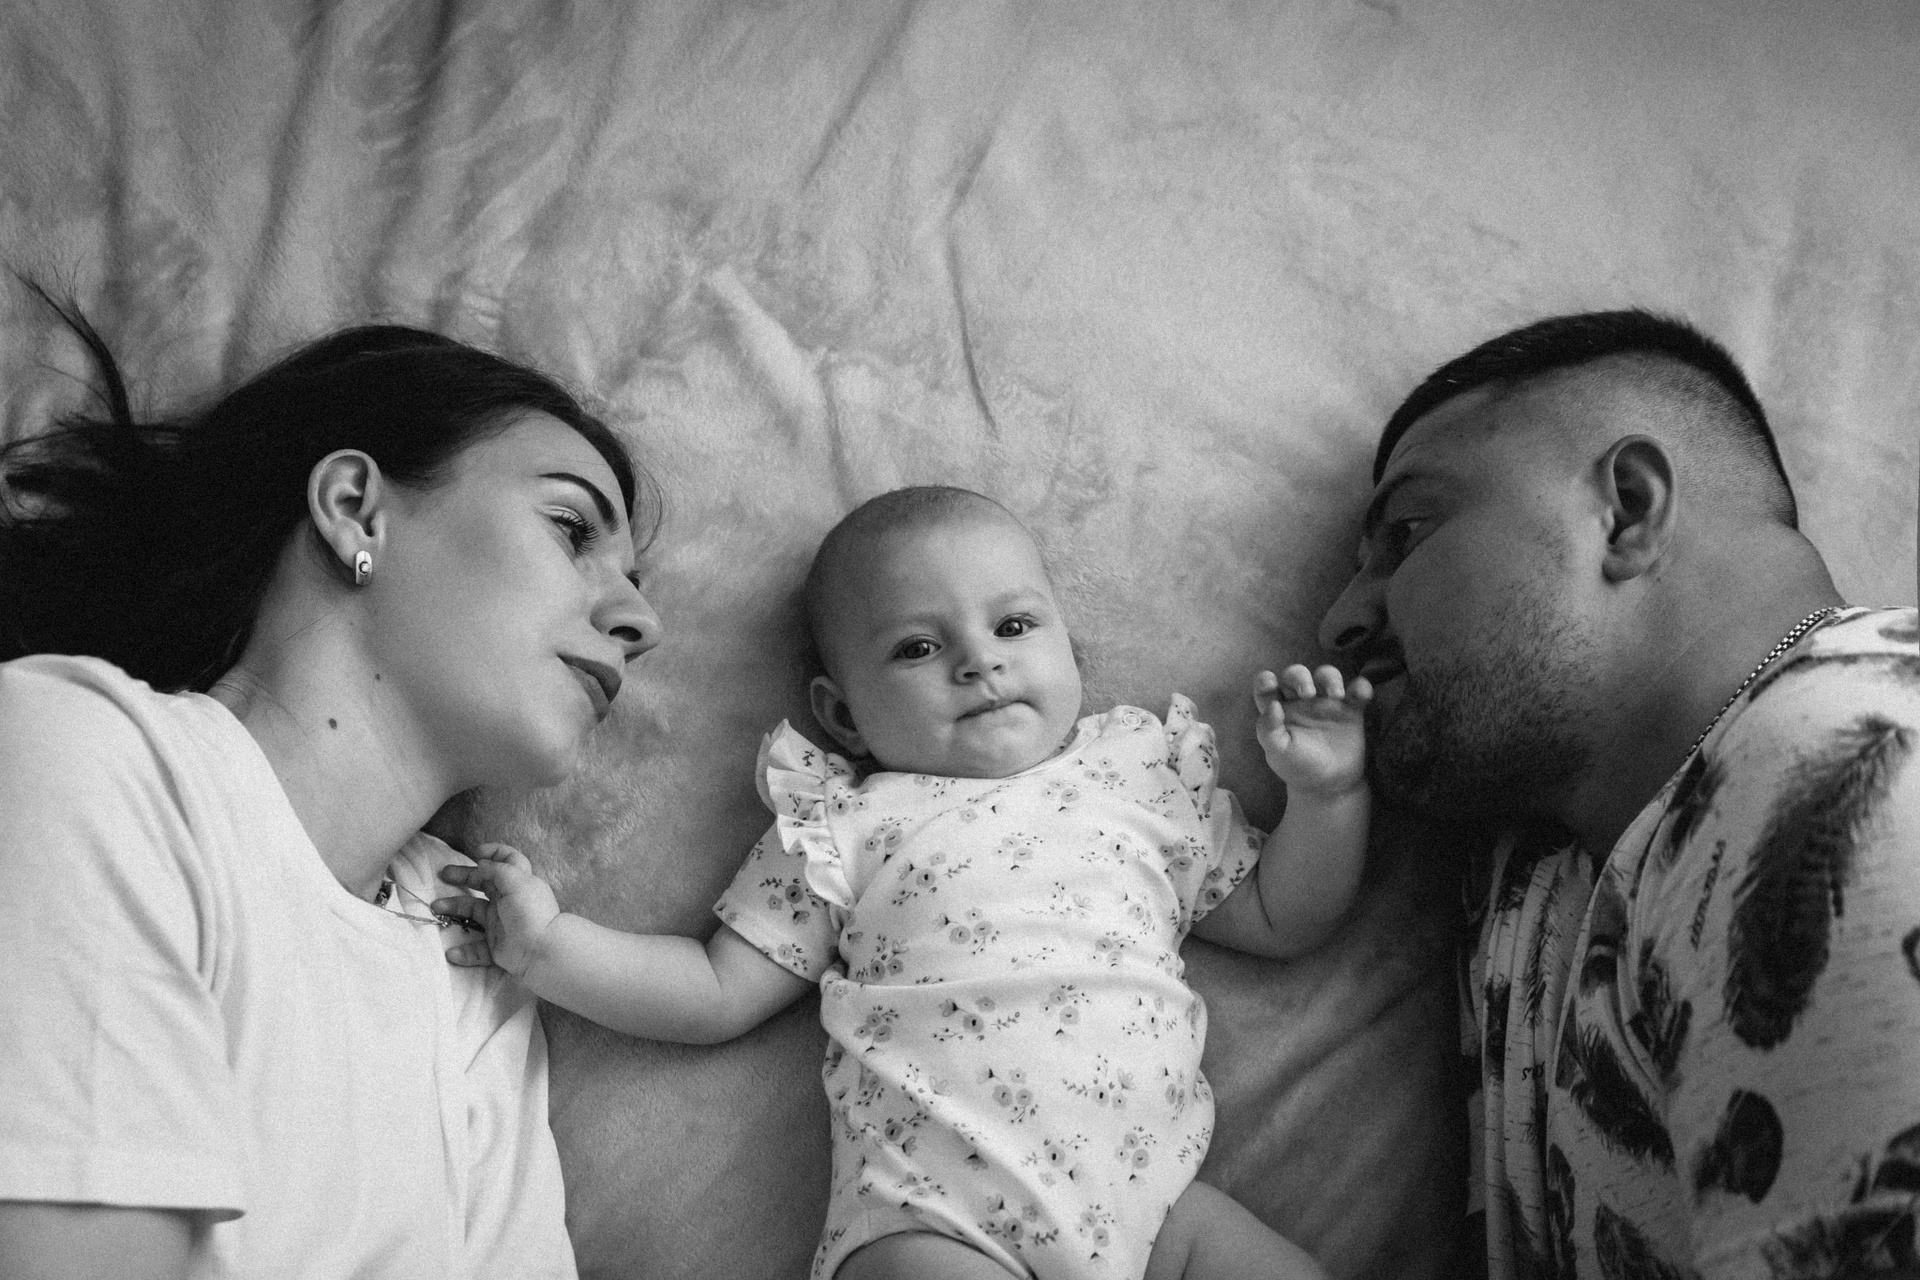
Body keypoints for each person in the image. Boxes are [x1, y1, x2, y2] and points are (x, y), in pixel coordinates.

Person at [436, 485, 1368, 1280]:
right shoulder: (842, 824)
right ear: (843, 715)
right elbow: (715, 991)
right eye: (918, 648)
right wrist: (550, 947)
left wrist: (1328, 796)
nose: (979, 661)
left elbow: (1282, 915)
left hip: (1154, 1211)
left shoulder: (1139, 777)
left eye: (1013, 626)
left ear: (1072, 654)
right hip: (938, 1217)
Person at [0, 290, 662, 1280]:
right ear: (355, 508)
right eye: (572, 529)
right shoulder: (88, 752)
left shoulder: (473, 958)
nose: (642, 622)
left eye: (636, 581)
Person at [1315, 308, 1920, 1279]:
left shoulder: (1856, 756)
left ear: (1627, 510)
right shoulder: (1546, 876)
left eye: (1409, 530)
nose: (1339, 621)